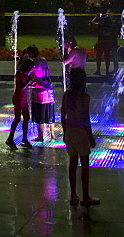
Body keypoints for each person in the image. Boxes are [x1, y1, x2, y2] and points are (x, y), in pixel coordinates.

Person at [61, 67, 99, 208]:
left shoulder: (66, 96)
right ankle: (85, 196)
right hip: (81, 133)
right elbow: (85, 119)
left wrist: (65, 132)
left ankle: (73, 195)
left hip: (70, 131)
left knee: (72, 164)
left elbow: (62, 116)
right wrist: (90, 137)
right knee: (84, 166)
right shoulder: (84, 97)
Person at [26, 45, 55, 142]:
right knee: (50, 113)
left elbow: (34, 77)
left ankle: (40, 136)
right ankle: (52, 135)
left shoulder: (33, 63)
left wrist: (30, 84)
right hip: (49, 89)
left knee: (40, 115)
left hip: (40, 92)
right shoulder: (43, 60)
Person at [6, 56, 33, 148]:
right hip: (18, 99)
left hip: (24, 99)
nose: (31, 71)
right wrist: (29, 81)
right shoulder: (20, 74)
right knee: (17, 118)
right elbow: (21, 87)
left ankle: (24, 139)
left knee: (26, 117)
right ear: (27, 67)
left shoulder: (25, 74)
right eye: (31, 68)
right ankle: (10, 139)